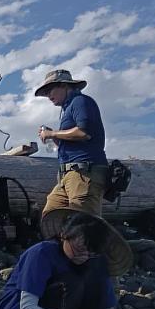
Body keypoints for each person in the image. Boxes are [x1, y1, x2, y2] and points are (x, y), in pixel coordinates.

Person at [0, 209, 132, 309]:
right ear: (63, 235)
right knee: (73, 281)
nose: (83, 257)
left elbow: (109, 307)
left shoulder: (96, 260)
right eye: (78, 249)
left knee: (95, 277)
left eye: (90, 253)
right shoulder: (42, 253)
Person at [36, 69, 108, 216]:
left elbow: (84, 133)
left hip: (84, 173)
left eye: (50, 90)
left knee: (84, 224)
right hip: (70, 174)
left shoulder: (81, 101)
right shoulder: (69, 107)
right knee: (51, 217)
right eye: (46, 92)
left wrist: (52, 133)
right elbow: (72, 143)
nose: (48, 96)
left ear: (64, 86)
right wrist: (54, 137)